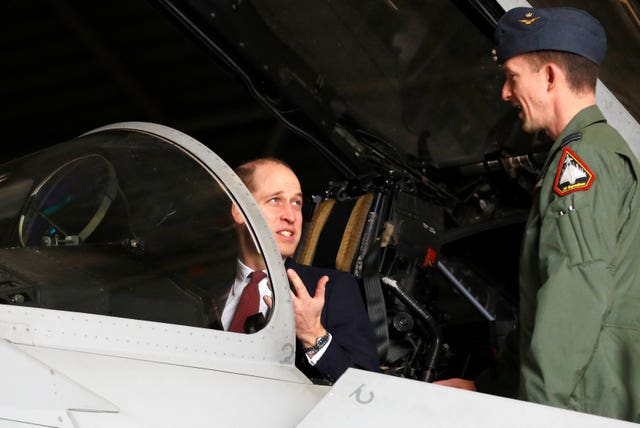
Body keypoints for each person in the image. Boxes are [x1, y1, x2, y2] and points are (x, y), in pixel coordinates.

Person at [435, 7, 640, 422]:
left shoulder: (582, 160)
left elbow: (575, 294)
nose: (505, 94)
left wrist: (537, 416)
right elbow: (545, 314)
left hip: (581, 404)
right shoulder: (590, 152)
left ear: (549, 77)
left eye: (512, 77)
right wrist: (487, 387)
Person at [222, 157, 378, 382]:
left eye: (296, 203)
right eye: (275, 200)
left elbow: (367, 388)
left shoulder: (332, 289)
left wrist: (313, 334)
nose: (291, 216)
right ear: (238, 211)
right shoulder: (200, 293)